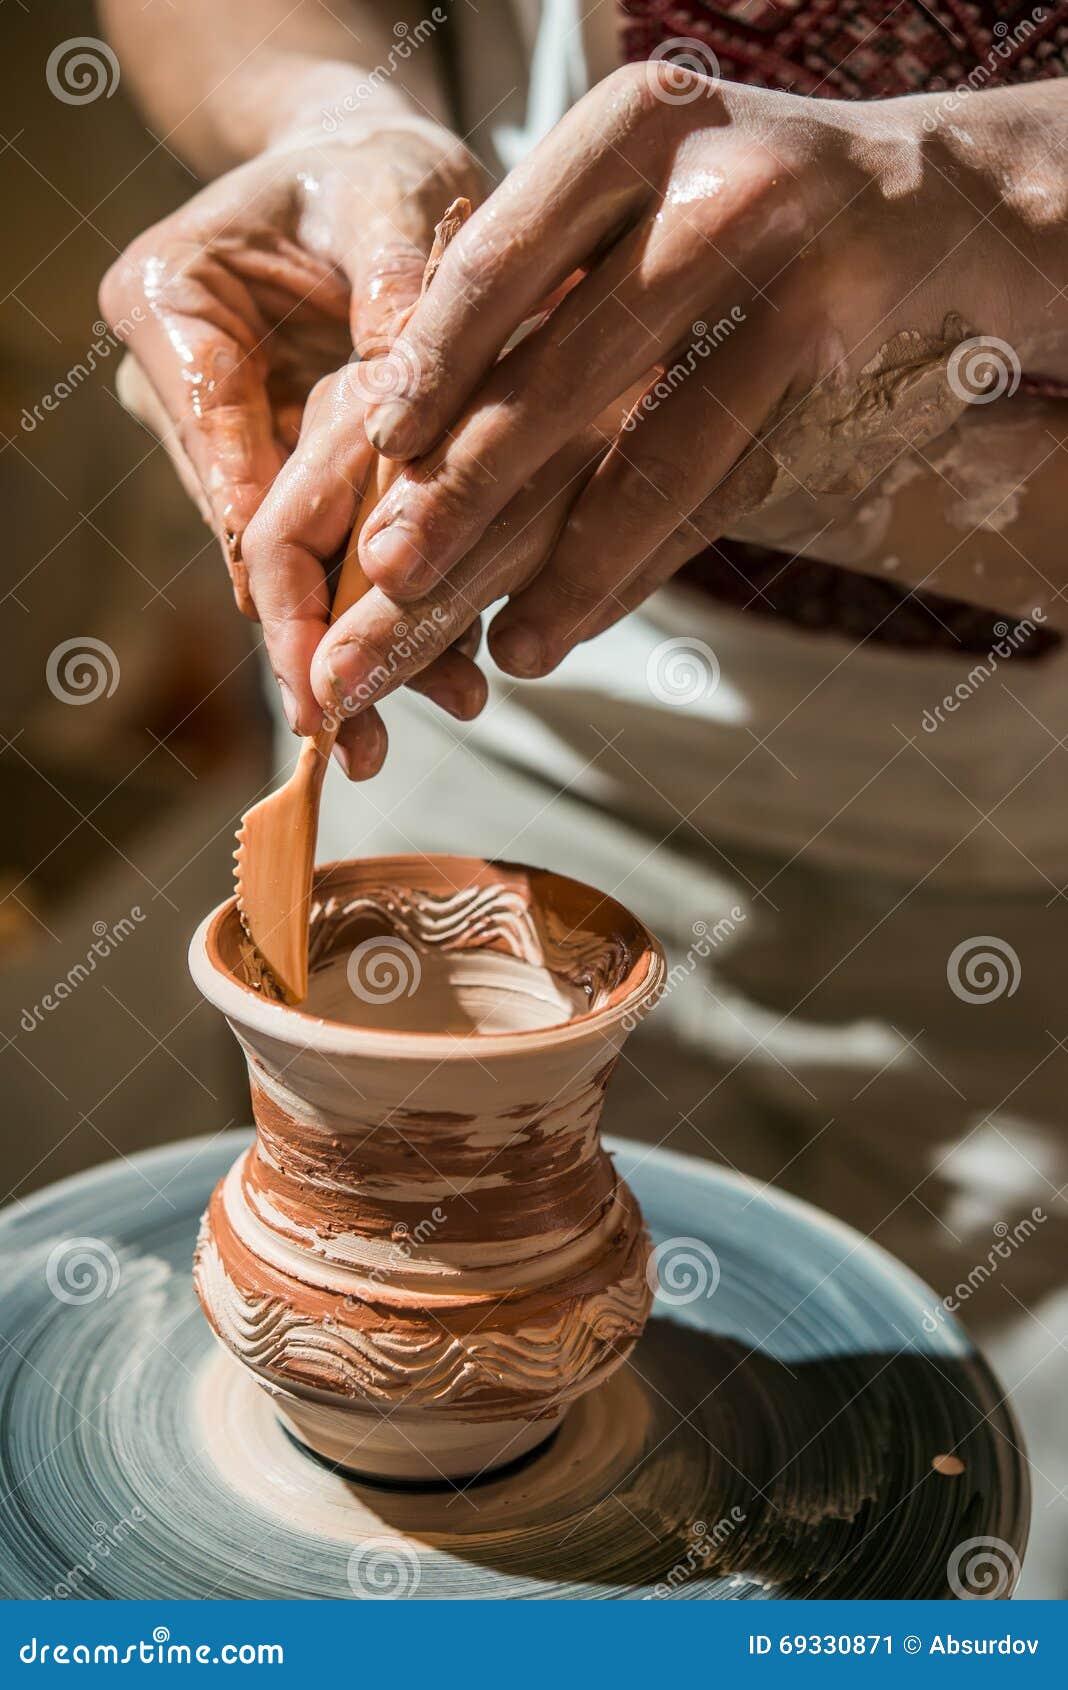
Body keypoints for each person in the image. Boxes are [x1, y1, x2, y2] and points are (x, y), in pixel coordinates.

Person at [100, 2, 1068, 1590]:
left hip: (1033, 898)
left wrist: (999, 180)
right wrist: (320, 110)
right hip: (476, 763)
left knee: (963, 1547)